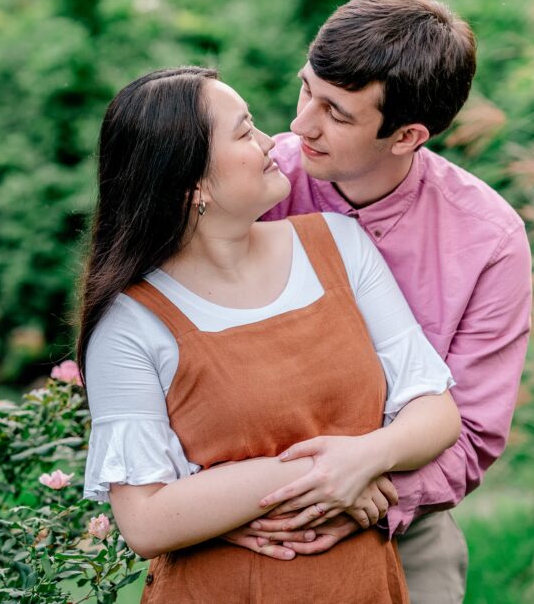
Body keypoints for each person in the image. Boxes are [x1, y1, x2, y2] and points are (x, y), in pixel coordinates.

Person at [78, 66, 462, 602]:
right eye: (244, 132)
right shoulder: (131, 323)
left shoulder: (339, 243)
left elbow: (437, 410)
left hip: (362, 586)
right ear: (193, 185)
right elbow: (145, 521)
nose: (269, 143)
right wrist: (332, 473)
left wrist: (368, 457)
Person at [232, 0, 533, 603]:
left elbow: (472, 432)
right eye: (305, 90)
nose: (299, 125)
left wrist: (360, 500)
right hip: (243, 513)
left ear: (407, 135)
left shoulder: (489, 239)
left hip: (402, 525)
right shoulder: (257, 185)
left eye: (336, 115)